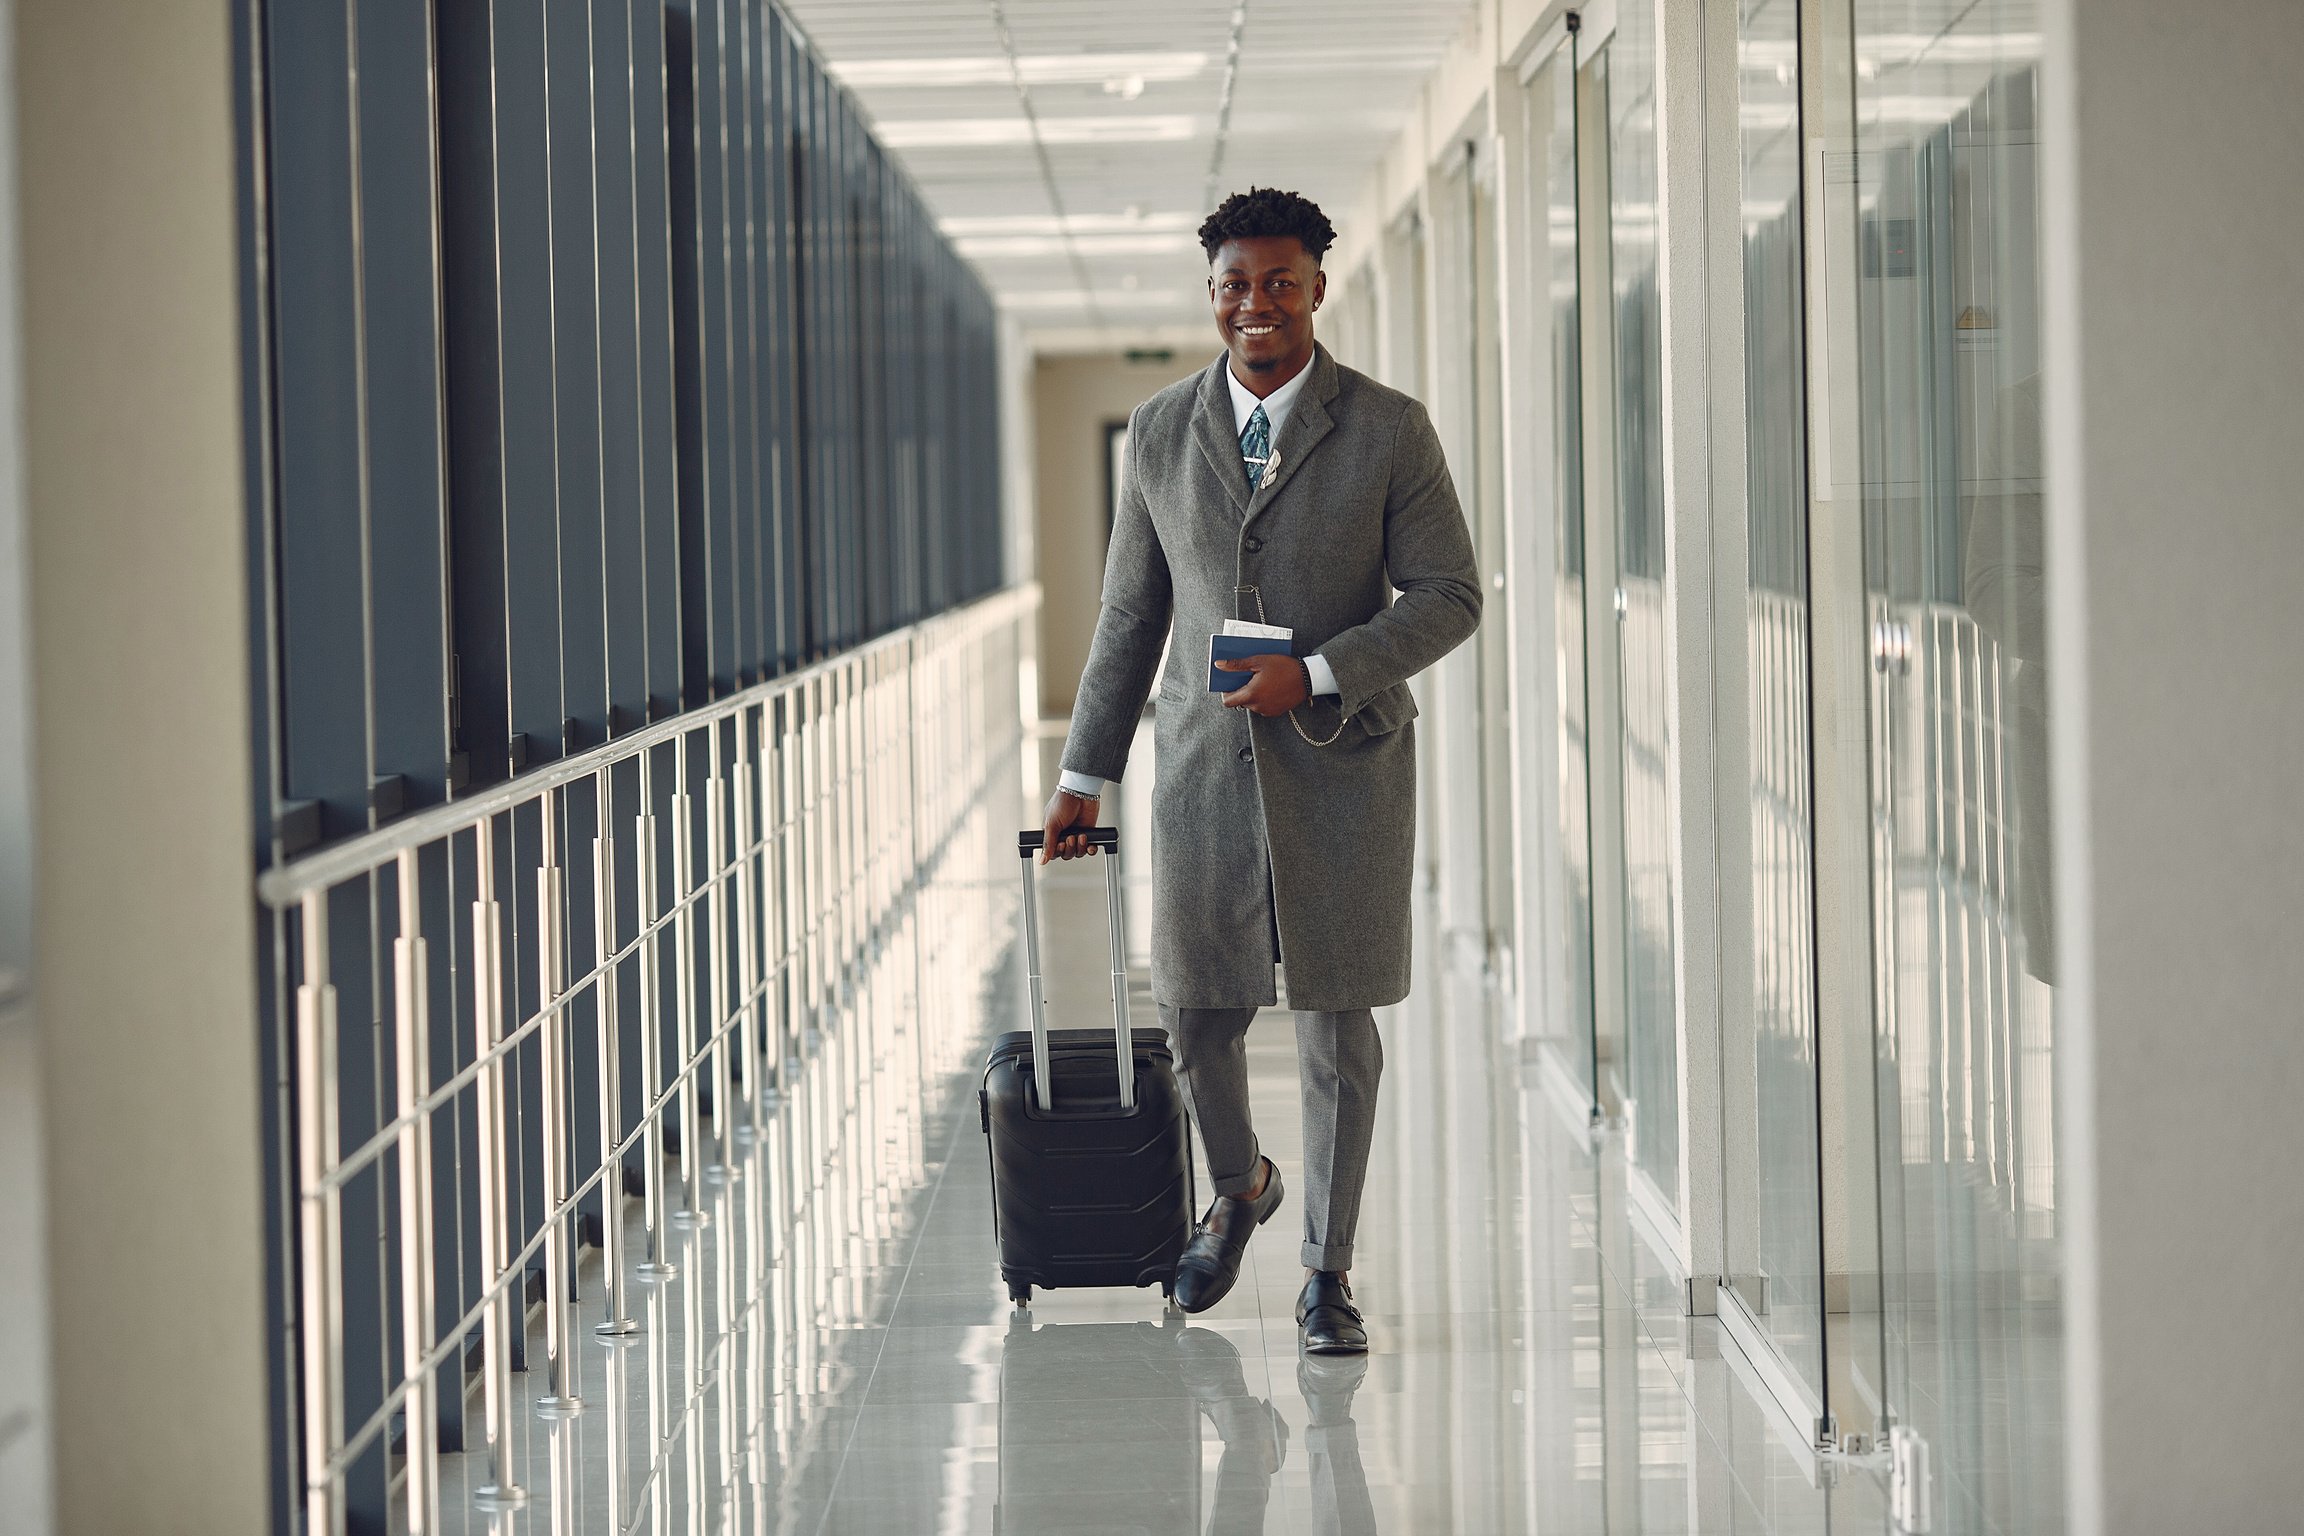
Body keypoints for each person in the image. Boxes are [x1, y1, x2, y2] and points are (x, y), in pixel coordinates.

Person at [1039, 186, 1480, 1354]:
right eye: (1235, 283)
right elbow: (1132, 616)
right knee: (1198, 1014)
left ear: (1318, 287)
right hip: (1200, 774)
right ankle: (1240, 1188)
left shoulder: (1390, 428)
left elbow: (1450, 597)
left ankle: (1327, 1274)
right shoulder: (1158, 431)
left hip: (1345, 772)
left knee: (1340, 1031)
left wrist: (1324, 673)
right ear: (1213, 294)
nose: (1257, 304)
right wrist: (1085, 774)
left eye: (1281, 281)